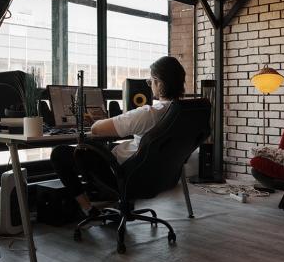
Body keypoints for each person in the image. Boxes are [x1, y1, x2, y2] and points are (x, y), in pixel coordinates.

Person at [50, 56, 186, 219]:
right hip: (162, 178)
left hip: (125, 175)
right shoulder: (184, 114)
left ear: (160, 83)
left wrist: (97, 122)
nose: (150, 86)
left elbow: (96, 129)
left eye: (150, 82)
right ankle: (115, 205)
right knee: (110, 146)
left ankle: (87, 209)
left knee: (59, 153)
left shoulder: (148, 114)